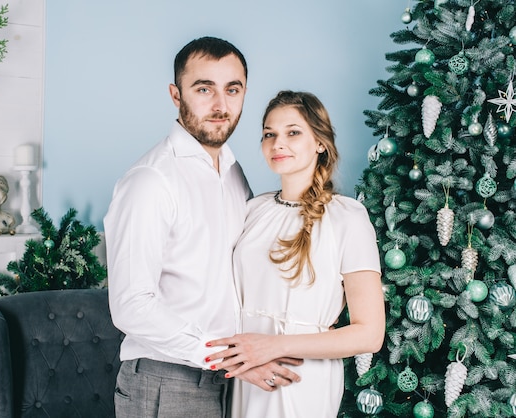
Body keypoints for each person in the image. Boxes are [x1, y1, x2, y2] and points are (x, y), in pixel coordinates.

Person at [104, 38, 302, 418]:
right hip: (168, 380)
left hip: (227, 379)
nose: (220, 105)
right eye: (203, 88)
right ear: (176, 95)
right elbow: (131, 306)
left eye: (232, 89)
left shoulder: (232, 171)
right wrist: (233, 359)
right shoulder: (150, 181)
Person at [205, 90, 386, 417]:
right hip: (245, 373)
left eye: (293, 132)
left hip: (301, 375)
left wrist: (275, 345)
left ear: (320, 142)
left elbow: (370, 333)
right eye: (269, 134)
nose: (278, 144)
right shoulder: (252, 209)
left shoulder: (348, 217)